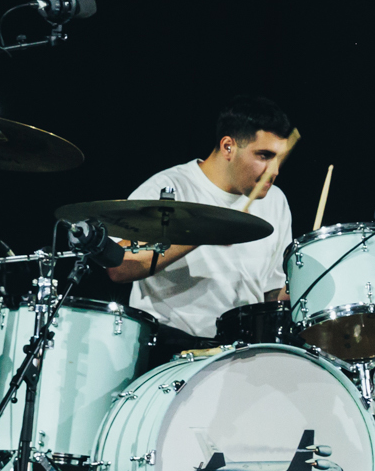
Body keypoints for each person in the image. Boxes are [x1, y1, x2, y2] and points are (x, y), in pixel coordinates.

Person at [107, 96, 295, 342]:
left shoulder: (275, 201)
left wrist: (304, 289)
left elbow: (271, 293)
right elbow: (119, 267)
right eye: (264, 156)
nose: (275, 170)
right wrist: (207, 231)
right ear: (228, 146)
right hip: (169, 347)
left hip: (240, 350)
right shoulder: (169, 188)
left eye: (279, 159)